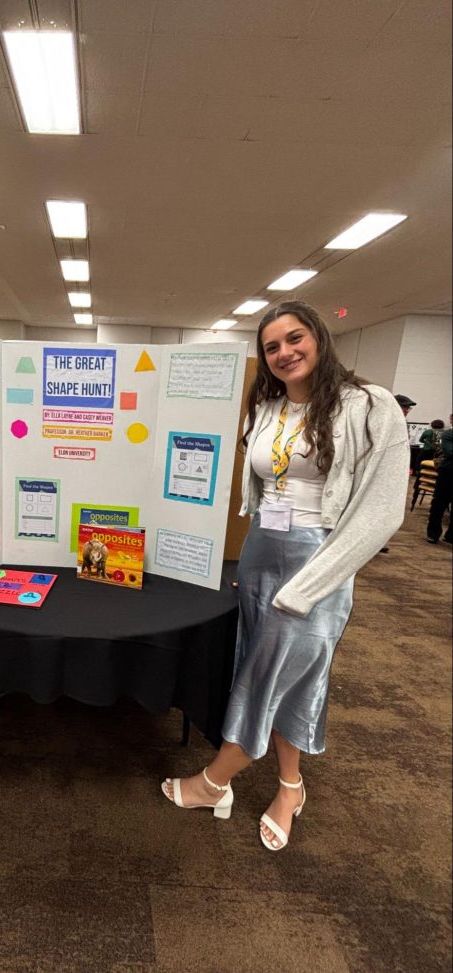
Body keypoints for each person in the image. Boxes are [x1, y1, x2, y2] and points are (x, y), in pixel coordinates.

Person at [161, 300, 409, 851]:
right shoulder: (269, 405)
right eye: (271, 346)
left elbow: (383, 511)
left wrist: (311, 583)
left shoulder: (369, 405)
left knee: (268, 674)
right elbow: (263, 491)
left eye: (294, 338)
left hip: (318, 560)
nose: (284, 353)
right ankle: (290, 785)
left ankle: (214, 782)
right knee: (281, 674)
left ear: (319, 338)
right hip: (260, 557)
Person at [426, 414, 453, 544]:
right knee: (439, 504)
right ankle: (433, 533)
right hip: (448, 473)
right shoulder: (448, 435)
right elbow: (450, 452)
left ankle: (451, 535)